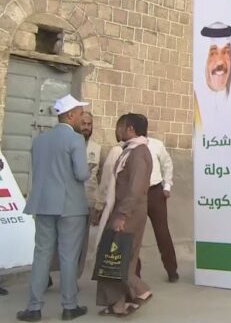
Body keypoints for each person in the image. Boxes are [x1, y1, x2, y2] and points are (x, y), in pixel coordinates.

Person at [17, 94, 90, 322]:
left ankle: (34, 308)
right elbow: (81, 173)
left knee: (41, 256)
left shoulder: (40, 140)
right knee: (68, 257)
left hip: (43, 204)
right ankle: (69, 306)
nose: (82, 118)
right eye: (80, 114)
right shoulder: (76, 140)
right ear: (70, 115)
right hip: (70, 206)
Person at [96, 114, 153, 317]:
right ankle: (117, 303)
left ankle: (141, 291)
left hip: (128, 213)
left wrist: (121, 214)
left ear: (130, 129)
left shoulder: (138, 153)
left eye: (120, 127)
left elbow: (135, 188)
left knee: (118, 258)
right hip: (123, 210)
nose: (117, 131)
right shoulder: (130, 151)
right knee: (116, 258)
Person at [49, 112, 102, 285]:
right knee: (56, 238)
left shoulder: (97, 149)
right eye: (83, 123)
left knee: (81, 243)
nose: (86, 127)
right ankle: (47, 273)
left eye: (89, 124)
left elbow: (98, 178)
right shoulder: (66, 143)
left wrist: (97, 205)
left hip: (87, 201)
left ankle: (72, 279)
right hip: (64, 199)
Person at [135, 136, 178, 282]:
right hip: (137, 193)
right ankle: (135, 274)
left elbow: (167, 164)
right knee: (134, 234)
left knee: (162, 232)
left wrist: (167, 186)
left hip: (155, 192)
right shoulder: (128, 146)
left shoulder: (156, 144)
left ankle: (172, 270)